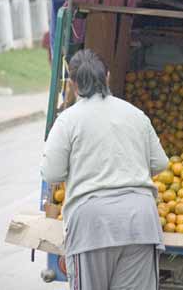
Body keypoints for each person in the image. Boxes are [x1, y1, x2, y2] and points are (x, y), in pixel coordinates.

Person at [40, 49, 169, 290]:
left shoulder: (68, 120)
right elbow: (160, 163)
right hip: (140, 222)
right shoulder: (135, 114)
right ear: (107, 77)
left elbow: (52, 173)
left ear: (74, 84)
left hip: (92, 224)